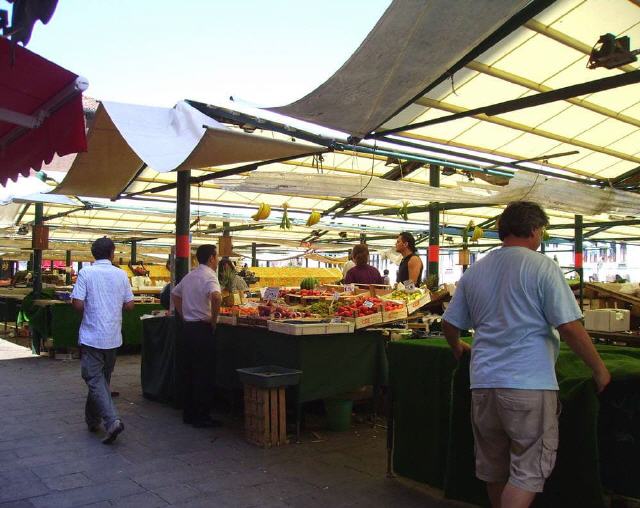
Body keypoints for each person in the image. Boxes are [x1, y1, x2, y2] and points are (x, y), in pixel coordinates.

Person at [442, 201, 610, 508]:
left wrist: (457, 349)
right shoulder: (541, 266)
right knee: (528, 469)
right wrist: (599, 369)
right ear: (535, 230)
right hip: (528, 383)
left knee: (494, 468)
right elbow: (569, 326)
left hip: (483, 384)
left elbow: (449, 323)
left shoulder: (476, 270)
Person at [71, 237, 134, 444]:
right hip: (113, 336)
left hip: (92, 335)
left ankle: (111, 421)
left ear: (93, 254)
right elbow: (130, 305)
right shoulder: (121, 274)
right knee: (100, 380)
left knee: (94, 379)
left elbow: (78, 304)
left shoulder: (86, 273)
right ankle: (92, 420)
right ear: (112, 253)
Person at [171, 244, 222, 428]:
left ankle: (189, 414)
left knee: (189, 372)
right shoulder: (210, 276)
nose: (217, 260)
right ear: (211, 258)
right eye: (216, 257)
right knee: (203, 373)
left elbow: (175, 295)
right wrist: (214, 320)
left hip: (188, 330)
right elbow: (216, 297)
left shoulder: (190, 275)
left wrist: (184, 314)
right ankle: (202, 417)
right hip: (202, 330)